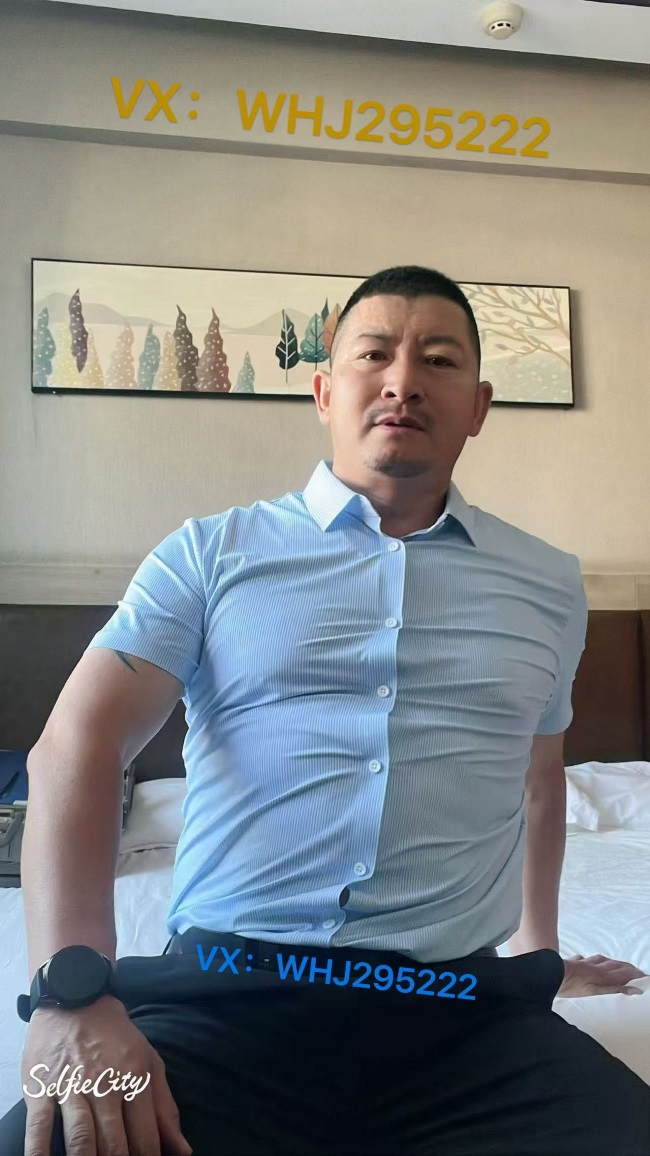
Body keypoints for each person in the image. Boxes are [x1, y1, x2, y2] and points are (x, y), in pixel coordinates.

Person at [2, 265, 649, 1156]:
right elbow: (78, 745)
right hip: (225, 993)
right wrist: (73, 994)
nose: (402, 380)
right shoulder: (210, 554)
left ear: (478, 406)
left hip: (459, 1010)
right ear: (323, 391)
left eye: (439, 360)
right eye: (373, 354)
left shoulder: (549, 584)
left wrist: (540, 958)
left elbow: (537, 777)